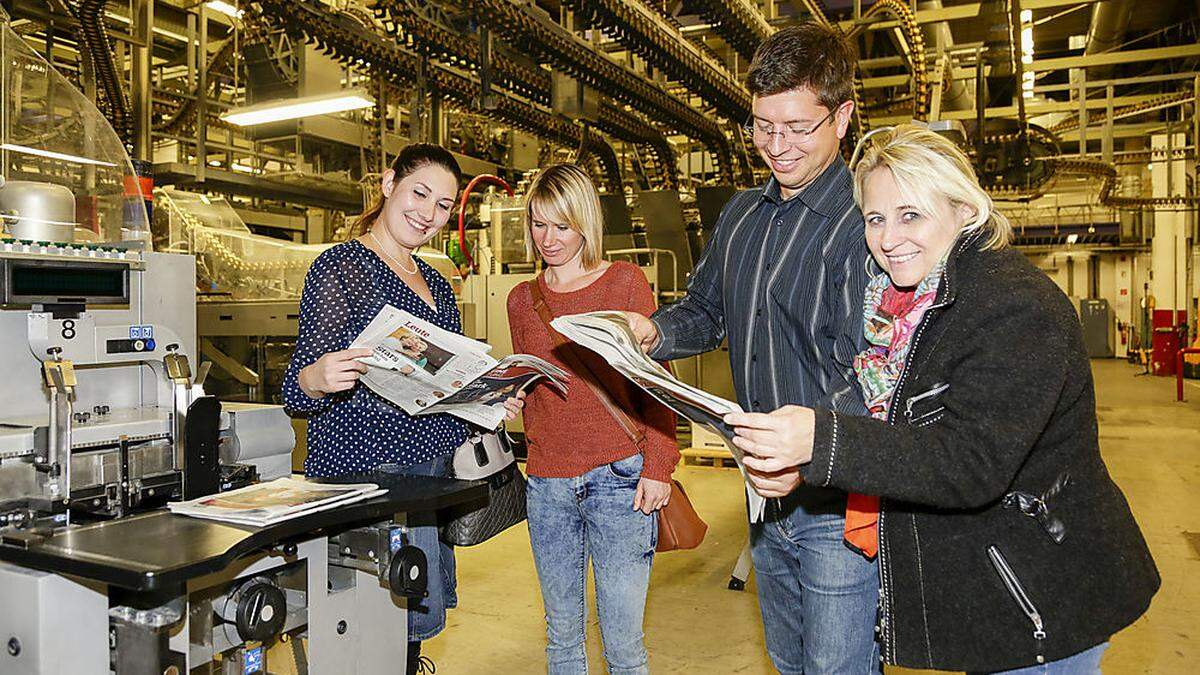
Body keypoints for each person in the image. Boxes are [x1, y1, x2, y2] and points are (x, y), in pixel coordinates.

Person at [726, 124, 1160, 673]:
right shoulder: (900, 310)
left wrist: (821, 441)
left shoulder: (1014, 307)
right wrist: (808, 464)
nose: (888, 238)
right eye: (875, 218)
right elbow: (898, 437)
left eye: (911, 215)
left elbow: (968, 460)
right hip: (989, 589)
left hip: (1040, 593)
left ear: (964, 209)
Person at [622, 22, 878, 673]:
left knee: (838, 667)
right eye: (763, 126)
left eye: (797, 127)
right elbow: (707, 311)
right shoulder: (741, 215)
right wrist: (653, 332)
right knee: (790, 662)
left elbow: (878, 371)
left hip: (835, 497)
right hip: (761, 491)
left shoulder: (869, 223)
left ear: (842, 116)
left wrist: (811, 448)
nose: (777, 145)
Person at [282, 143, 522, 675]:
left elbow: (448, 387)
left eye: (443, 205)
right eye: (419, 193)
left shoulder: (437, 282)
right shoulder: (342, 268)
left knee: (408, 632)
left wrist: (489, 400)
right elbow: (296, 388)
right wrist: (320, 377)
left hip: (430, 479)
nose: (428, 214)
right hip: (369, 475)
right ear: (389, 183)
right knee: (368, 628)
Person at [507, 163, 679, 675]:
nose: (548, 239)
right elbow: (535, 381)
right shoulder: (522, 300)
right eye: (538, 224)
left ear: (585, 222)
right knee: (561, 637)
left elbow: (656, 383)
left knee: (623, 645)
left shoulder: (624, 283)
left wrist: (658, 465)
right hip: (548, 484)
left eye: (561, 226)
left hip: (620, 479)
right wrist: (504, 397)